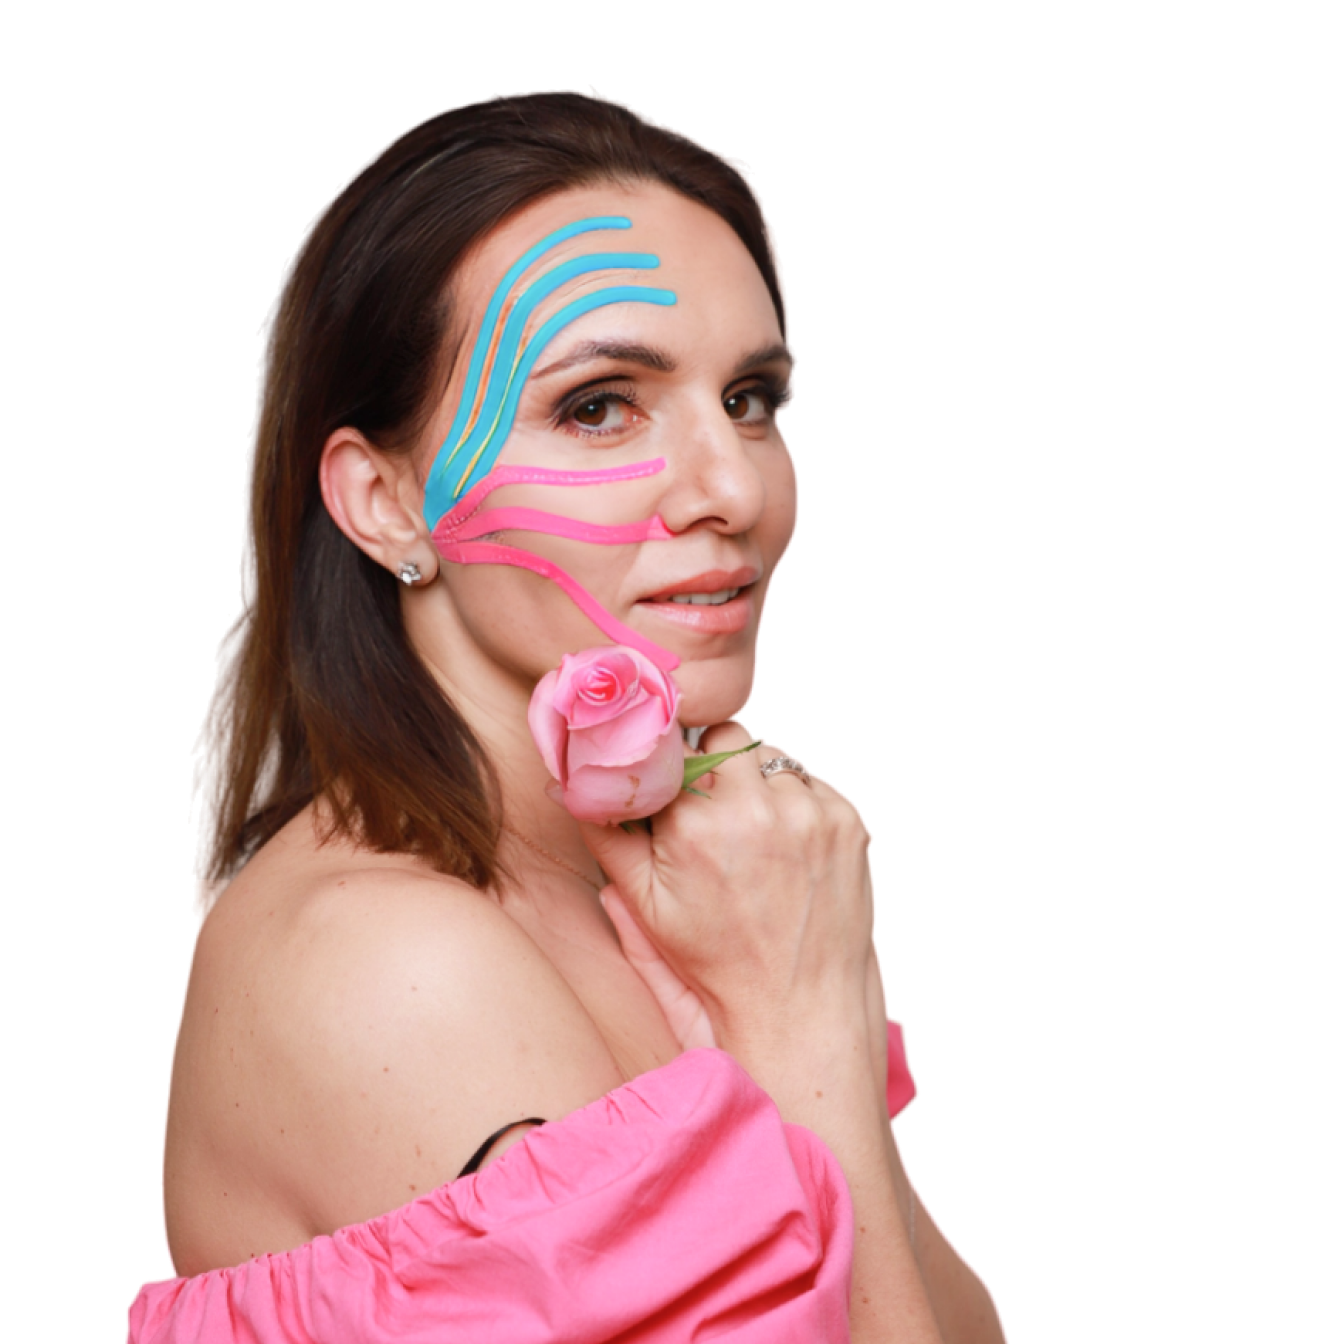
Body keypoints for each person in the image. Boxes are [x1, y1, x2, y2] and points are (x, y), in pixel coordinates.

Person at [130, 91, 1007, 1342]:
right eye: (599, 404)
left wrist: (794, 1027)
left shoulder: (678, 903)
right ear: (383, 500)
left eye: (751, 399)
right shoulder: (393, 962)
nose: (732, 487)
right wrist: (807, 1033)